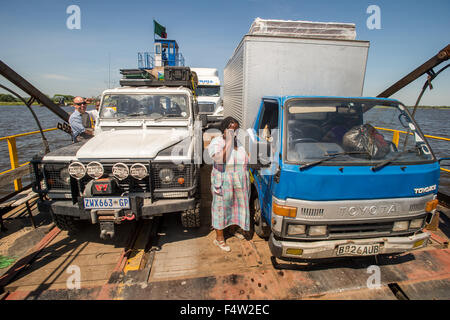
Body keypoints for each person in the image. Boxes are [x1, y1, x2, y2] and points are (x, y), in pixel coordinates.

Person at [208, 117, 250, 252]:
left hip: (238, 181)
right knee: (220, 208)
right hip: (223, 181)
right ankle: (219, 239)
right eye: (231, 129)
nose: (234, 132)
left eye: (236, 130)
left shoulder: (239, 144)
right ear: (224, 129)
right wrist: (229, 142)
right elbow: (220, 160)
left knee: (235, 207)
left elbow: (246, 158)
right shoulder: (217, 142)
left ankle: (232, 230)